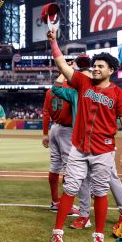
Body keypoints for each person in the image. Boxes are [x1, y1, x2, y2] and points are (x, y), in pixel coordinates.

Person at [47, 29, 122, 242]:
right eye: (94, 66)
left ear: (110, 70)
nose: (95, 69)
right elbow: (62, 66)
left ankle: (98, 235)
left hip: (103, 150)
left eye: (100, 66)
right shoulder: (82, 84)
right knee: (70, 188)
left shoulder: (119, 95)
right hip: (79, 148)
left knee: (100, 191)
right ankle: (57, 233)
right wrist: (54, 42)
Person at [41, 66, 78, 216]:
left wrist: (45, 134)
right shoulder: (72, 88)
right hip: (67, 131)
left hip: (54, 129)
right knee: (69, 168)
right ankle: (66, 205)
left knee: (55, 166)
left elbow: (45, 113)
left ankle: (55, 201)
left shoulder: (51, 91)